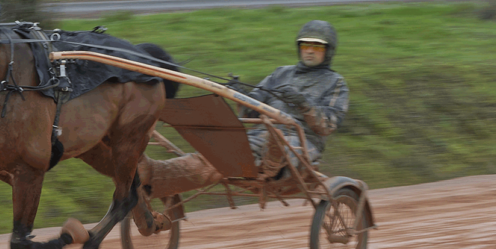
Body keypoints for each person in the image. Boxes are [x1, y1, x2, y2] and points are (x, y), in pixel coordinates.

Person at [137, 20, 349, 199]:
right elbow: (253, 108)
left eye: (317, 47)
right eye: (305, 46)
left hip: (302, 144)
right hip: (263, 134)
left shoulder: (335, 82)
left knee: (242, 151)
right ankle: (154, 174)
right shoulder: (281, 73)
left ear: (328, 51)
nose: (310, 50)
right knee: (218, 154)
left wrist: (304, 104)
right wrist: (240, 95)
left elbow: (328, 125)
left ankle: (270, 162)